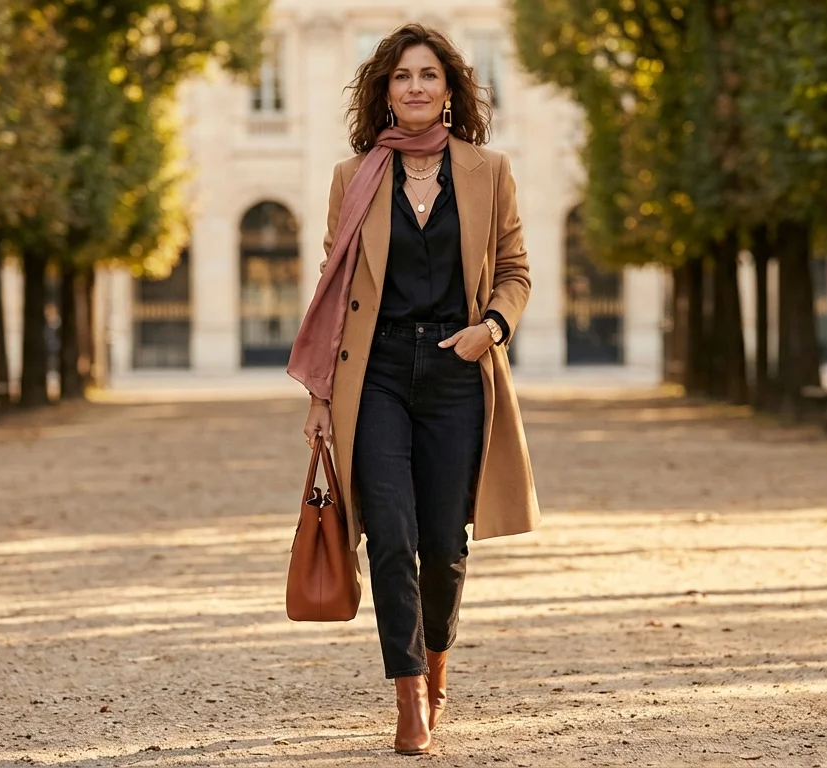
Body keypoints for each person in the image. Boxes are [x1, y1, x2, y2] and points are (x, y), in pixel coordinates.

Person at [287, 23, 540, 756]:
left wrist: (490, 327)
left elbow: (516, 270)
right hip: (378, 375)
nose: (417, 87)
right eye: (402, 77)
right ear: (385, 91)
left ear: (451, 89)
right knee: (390, 536)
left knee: (443, 543)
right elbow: (333, 290)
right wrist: (318, 397)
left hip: (459, 373)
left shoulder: (488, 172)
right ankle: (408, 700)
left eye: (429, 74)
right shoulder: (353, 176)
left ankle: (436, 671)